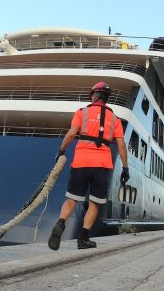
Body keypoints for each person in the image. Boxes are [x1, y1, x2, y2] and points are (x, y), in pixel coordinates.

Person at [49, 81, 129, 250]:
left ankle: (61, 222)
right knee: (94, 203)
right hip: (102, 164)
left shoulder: (81, 113)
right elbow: (121, 145)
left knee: (71, 200)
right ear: (106, 98)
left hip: (81, 161)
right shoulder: (115, 119)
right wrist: (125, 167)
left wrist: (61, 150)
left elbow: (71, 134)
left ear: (93, 96)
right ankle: (83, 238)